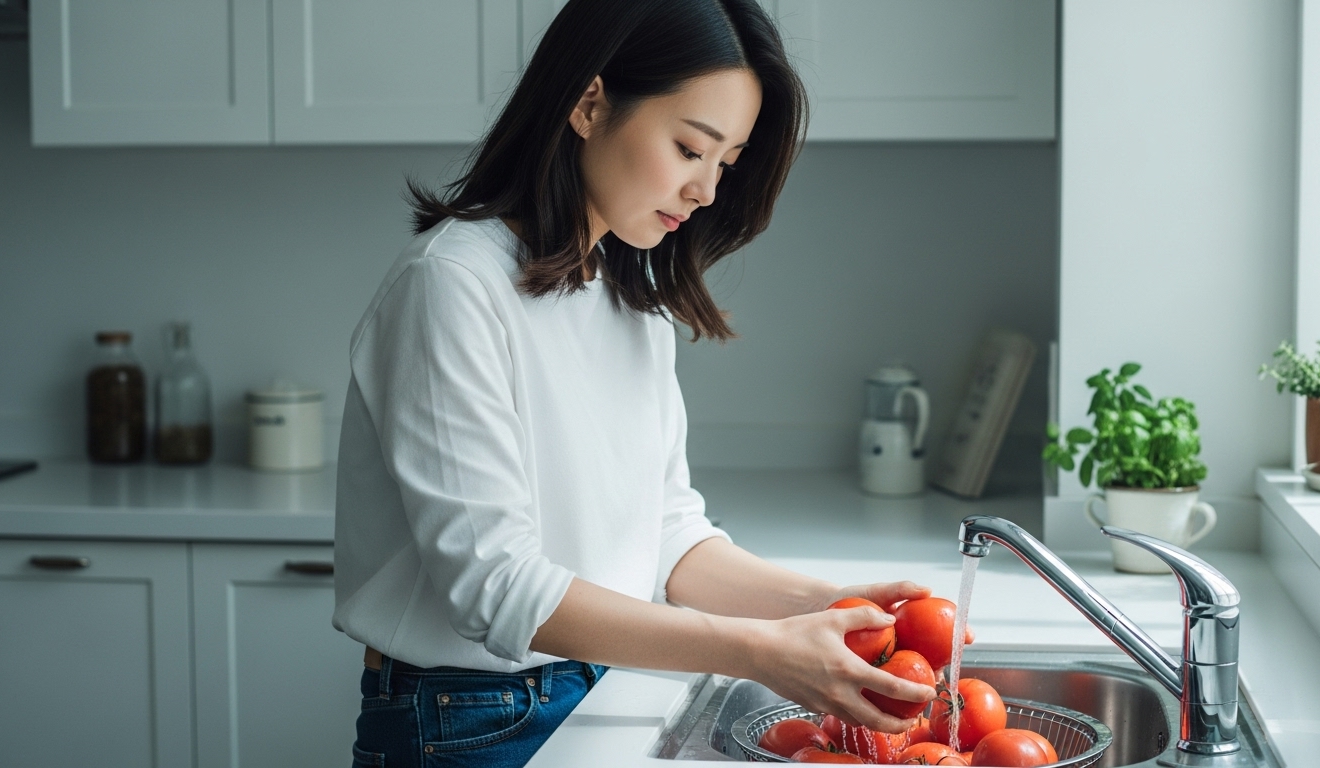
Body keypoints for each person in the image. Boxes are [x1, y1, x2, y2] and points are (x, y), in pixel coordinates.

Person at [332, 1, 936, 765]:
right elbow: (494, 586)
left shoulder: (628, 296)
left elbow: (667, 539)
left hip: (602, 686)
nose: (706, 190)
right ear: (589, 104)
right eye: (691, 148)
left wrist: (837, 608)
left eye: (726, 163)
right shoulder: (451, 285)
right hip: (465, 720)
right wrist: (758, 650)